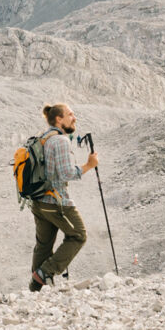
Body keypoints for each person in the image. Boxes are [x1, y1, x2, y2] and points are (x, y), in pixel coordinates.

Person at [29, 103, 98, 291]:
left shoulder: (43, 138)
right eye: (70, 114)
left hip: (38, 201)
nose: (74, 118)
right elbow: (67, 173)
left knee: (43, 244)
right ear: (59, 119)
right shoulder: (60, 141)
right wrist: (89, 165)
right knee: (78, 235)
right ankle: (46, 272)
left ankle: (35, 290)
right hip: (56, 201)